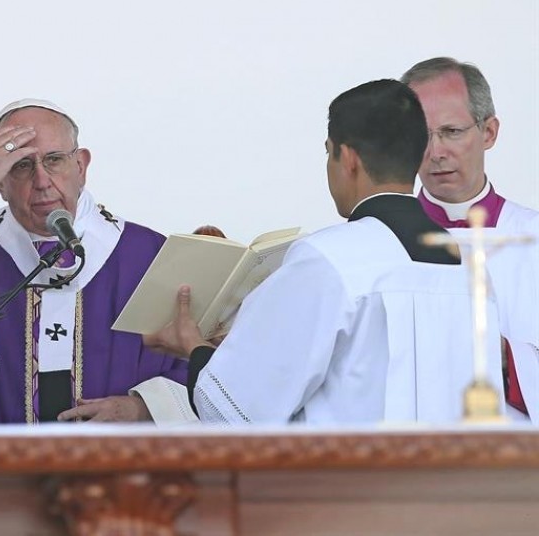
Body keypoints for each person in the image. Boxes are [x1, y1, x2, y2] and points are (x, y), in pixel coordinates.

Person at [145, 79, 490, 424]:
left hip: (354, 462)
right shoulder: (471, 267)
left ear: (349, 159)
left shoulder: (329, 258)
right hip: (451, 461)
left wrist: (193, 345)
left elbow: (236, 410)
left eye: (328, 152)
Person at [0, 99, 193, 424]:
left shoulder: (150, 256)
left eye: (54, 160)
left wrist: (142, 408)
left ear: (81, 167)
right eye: (21, 166)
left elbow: (205, 371)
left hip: (120, 456)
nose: (42, 181)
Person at [401, 57, 539, 421]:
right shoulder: (379, 244)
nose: (435, 152)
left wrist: (505, 357)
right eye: (420, 135)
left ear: (489, 132)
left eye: (451, 131)